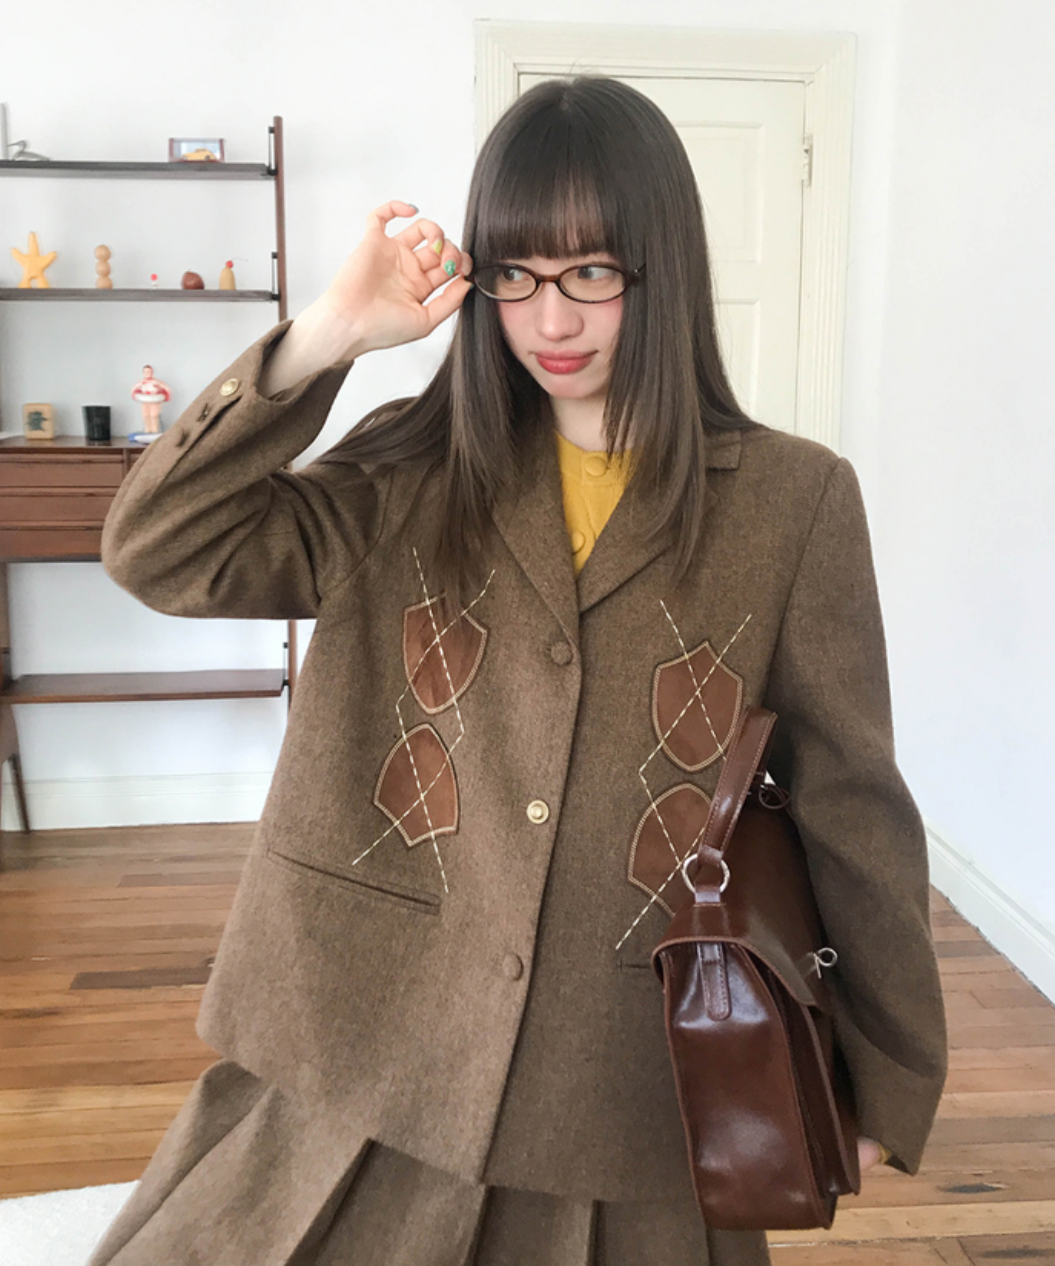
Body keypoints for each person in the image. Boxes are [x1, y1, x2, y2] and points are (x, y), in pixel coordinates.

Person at [90, 77, 946, 1266]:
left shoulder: (792, 503)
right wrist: (328, 336)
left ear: (661, 270)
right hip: (363, 1040)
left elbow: (848, 803)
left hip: (621, 1085)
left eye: (590, 271)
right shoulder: (406, 471)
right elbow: (161, 549)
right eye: (515, 274)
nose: (550, 318)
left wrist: (883, 1072)